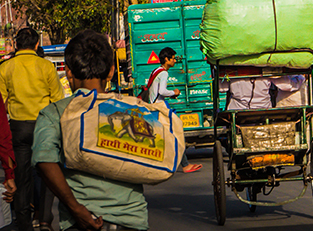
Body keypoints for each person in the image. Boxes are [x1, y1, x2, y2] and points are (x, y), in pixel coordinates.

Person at [33, 30, 149, 231]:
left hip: (81, 221)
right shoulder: (134, 110)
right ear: (111, 71)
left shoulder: (54, 113)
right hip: (132, 218)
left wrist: (76, 209)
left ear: (68, 71)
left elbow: (44, 161)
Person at [0, 27, 63, 231]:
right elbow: (57, 100)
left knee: (20, 177)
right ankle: (44, 219)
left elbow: (2, 103)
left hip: (17, 128)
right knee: (47, 173)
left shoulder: (5, 68)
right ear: (37, 45)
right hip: (43, 126)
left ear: (16, 44)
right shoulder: (46, 67)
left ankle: (24, 222)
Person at [147, 48, 201, 173]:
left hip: (155, 107)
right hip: (160, 108)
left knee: (168, 136)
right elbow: (162, 91)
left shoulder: (156, 71)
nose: (175, 61)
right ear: (167, 59)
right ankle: (185, 165)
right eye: (173, 58)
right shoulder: (164, 73)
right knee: (176, 135)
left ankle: (182, 164)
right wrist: (174, 92)